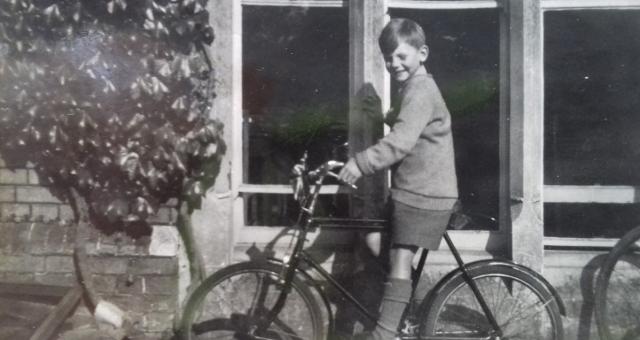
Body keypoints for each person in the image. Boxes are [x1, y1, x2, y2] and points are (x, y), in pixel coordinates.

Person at [339, 18, 458, 340]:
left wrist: (361, 163)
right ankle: (411, 315)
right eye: (388, 58)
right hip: (413, 190)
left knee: (400, 258)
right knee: (374, 238)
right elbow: (405, 124)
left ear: (423, 53)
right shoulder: (414, 89)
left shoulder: (421, 90)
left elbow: (401, 141)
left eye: (401, 56)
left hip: (425, 192)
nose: (394, 64)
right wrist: (379, 115)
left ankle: (385, 334)